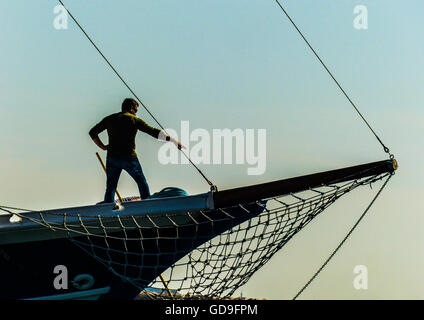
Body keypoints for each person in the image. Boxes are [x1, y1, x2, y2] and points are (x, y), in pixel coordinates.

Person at [89, 98, 183, 203]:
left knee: (111, 186)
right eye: (136, 110)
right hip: (128, 157)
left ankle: (107, 207)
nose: (136, 113)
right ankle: (147, 204)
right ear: (132, 109)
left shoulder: (110, 119)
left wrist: (102, 146)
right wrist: (173, 140)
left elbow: (92, 132)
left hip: (112, 158)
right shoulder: (133, 120)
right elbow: (153, 132)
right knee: (141, 181)